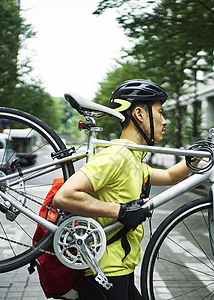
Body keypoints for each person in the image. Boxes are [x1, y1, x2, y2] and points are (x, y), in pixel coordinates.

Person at [53, 79, 197, 300]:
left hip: (121, 271)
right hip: (104, 273)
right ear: (139, 113)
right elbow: (65, 196)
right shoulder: (117, 155)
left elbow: (170, 176)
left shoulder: (133, 159)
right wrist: (120, 211)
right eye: (160, 112)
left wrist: (202, 155)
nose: (165, 121)